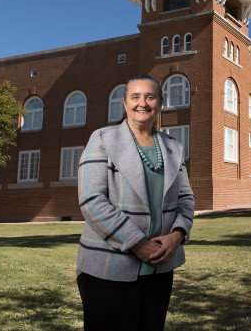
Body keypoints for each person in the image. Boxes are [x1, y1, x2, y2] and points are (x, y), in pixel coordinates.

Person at [76, 75, 195, 331]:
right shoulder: (102, 139)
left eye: (150, 96)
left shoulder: (173, 147)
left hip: (160, 269)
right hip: (108, 268)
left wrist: (177, 235)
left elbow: (185, 198)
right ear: (125, 102)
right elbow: (92, 199)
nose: (143, 103)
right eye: (135, 97)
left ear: (160, 103)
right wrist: (136, 243)